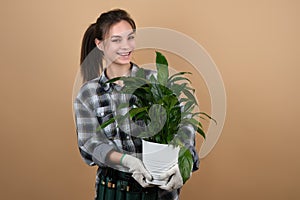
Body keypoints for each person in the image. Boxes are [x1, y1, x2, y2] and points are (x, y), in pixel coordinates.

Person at [73, 9, 199, 200]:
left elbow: (185, 123)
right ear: (99, 44)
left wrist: (184, 164)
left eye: (130, 37)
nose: (126, 46)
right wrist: (128, 161)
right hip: (114, 191)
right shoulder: (89, 94)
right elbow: (90, 145)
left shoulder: (158, 82)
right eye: (116, 40)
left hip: (159, 191)